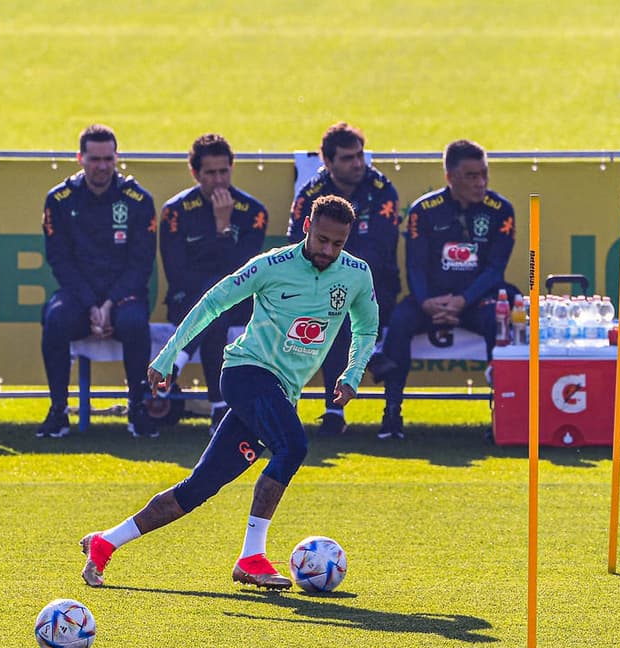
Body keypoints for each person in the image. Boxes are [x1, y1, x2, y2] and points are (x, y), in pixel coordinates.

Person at [79, 195, 378, 590]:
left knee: (200, 487)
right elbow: (212, 304)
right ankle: (252, 556)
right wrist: (167, 356)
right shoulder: (270, 265)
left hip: (281, 391)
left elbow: (366, 328)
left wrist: (352, 373)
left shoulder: (356, 274)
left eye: (337, 244)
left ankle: (104, 543)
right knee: (293, 446)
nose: (328, 251)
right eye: (322, 240)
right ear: (306, 226)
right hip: (245, 373)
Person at [377, 140, 517, 439]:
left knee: (500, 319)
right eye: (471, 176)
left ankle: (504, 417)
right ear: (450, 177)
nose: (480, 183)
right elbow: (414, 264)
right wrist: (427, 302)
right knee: (400, 321)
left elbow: (495, 269)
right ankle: (391, 413)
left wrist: (463, 300)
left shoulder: (501, 211)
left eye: (484, 174)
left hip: (476, 300)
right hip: (431, 300)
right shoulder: (424, 211)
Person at [37, 124, 160, 439]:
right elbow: (59, 260)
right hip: (79, 294)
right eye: (95, 159)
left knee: (134, 323)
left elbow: (141, 263)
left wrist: (108, 303)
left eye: (108, 159)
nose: (102, 166)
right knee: (55, 318)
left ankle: (138, 407)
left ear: (117, 157)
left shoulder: (138, 199)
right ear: (80, 158)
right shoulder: (59, 199)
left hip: (124, 296)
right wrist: (92, 304)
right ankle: (58, 411)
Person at [287, 122, 401, 437]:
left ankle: (335, 410)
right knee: (327, 312)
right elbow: (296, 245)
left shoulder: (382, 190)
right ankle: (314, 409)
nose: (358, 164)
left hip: (374, 286)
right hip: (317, 284)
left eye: (360, 155)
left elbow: (380, 248)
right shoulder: (311, 193)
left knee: (340, 308)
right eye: (348, 158)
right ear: (328, 161)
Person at [158, 134, 269, 434]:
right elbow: (177, 272)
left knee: (217, 306)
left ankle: (174, 366)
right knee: (213, 308)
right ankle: (219, 408)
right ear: (195, 173)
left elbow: (242, 272)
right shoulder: (176, 212)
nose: (219, 180)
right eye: (210, 173)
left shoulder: (253, 212)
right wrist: (219, 233)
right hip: (186, 300)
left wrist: (224, 226)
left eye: (224, 171)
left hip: (238, 304)